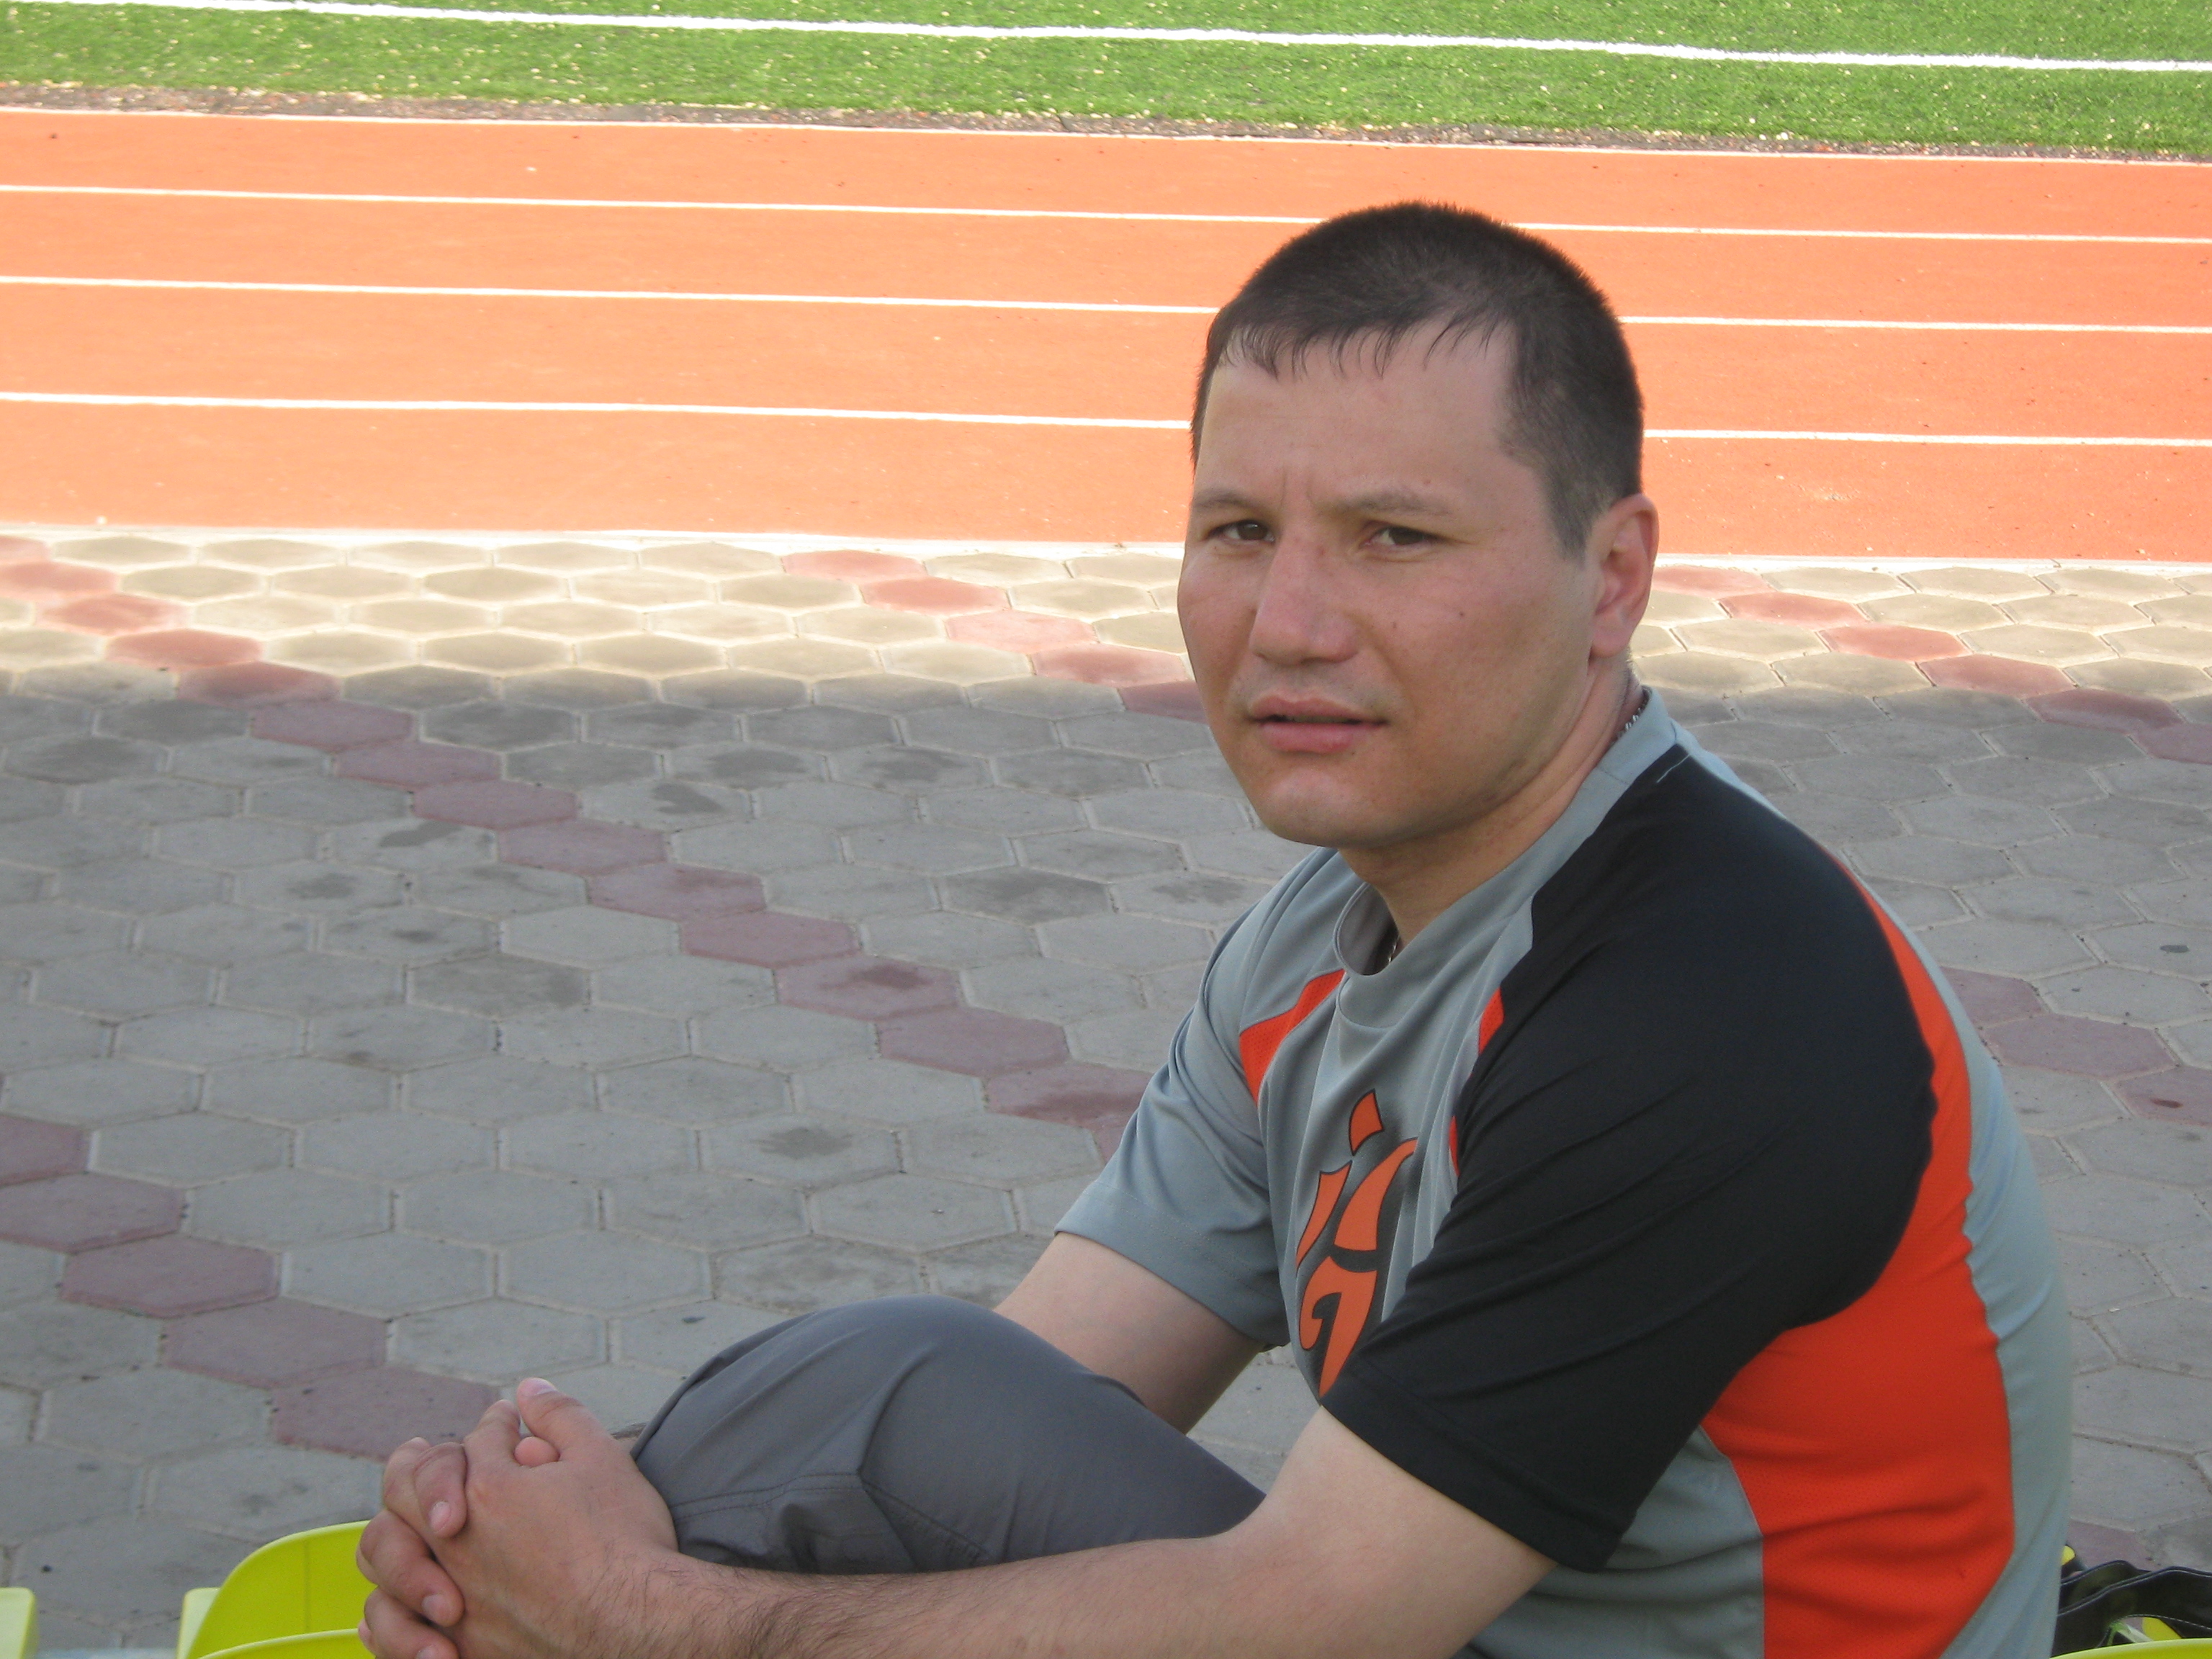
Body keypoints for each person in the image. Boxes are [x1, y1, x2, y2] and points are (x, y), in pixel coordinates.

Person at [358, 202, 2069, 1659]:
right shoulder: (1315, 945)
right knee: (868, 1404)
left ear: (1611, 579)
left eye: (1395, 538)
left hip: (1402, 1625)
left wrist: (633, 1606)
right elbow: (1011, 1403)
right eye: (1240, 532)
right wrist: (532, 1542)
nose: (1291, 621)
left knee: (846, 1436)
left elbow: (1317, 1612)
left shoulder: (1711, 1003)